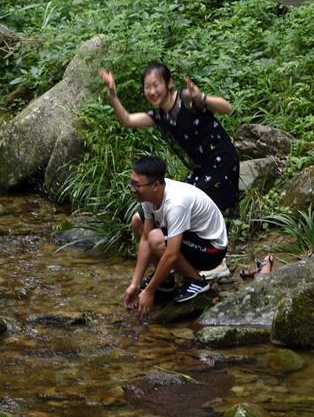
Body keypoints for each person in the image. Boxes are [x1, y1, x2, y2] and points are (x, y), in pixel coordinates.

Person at [100, 63, 239, 279]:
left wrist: (202, 97)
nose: (152, 91)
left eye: (156, 85)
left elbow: (226, 107)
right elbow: (127, 120)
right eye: (148, 87)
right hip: (201, 167)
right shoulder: (159, 115)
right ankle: (172, 267)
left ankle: (212, 265)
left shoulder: (186, 99)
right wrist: (112, 94)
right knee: (147, 217)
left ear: (169, 83)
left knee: (194, 207)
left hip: (221, 162)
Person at [123, 155, 228, 317]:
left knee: (156, 238)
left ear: (156, 185)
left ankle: (196, 281)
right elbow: (144, 238)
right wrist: (135, 284)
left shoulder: (176, 203)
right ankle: (165, 281)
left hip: (211, 250)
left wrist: (149, 291)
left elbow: (171, 254)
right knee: (138, 221)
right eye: (132, 183)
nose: (132, 189)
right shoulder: (149, 196)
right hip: (191, 238)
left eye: (137, 185)